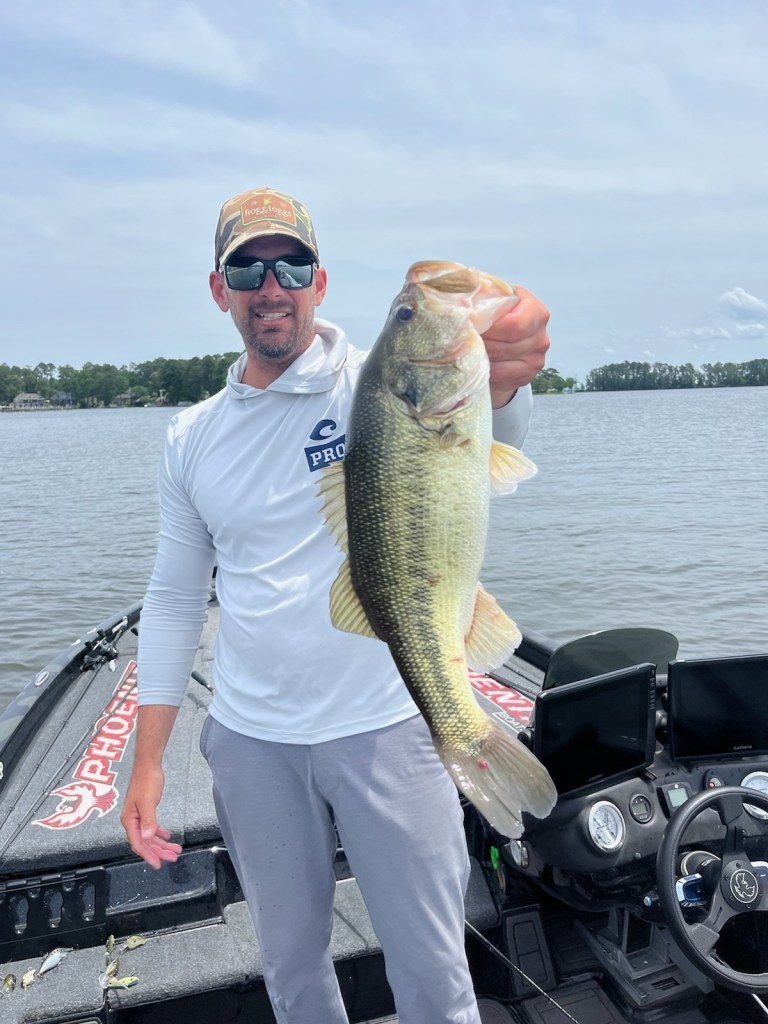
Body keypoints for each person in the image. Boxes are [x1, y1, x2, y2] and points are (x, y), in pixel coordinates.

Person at [121, 186, 551, 1024]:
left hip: (389, 725)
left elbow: (498, 422)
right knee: (290, 972)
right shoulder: (191, 437)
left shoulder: (376, 382)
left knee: (434, 973)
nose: (270, 286)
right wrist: (148, 761)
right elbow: (173, 599)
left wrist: (508, 365)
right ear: (219, 290)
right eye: (247, 269)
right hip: (252, 742)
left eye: (291, 266)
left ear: (319, 282)